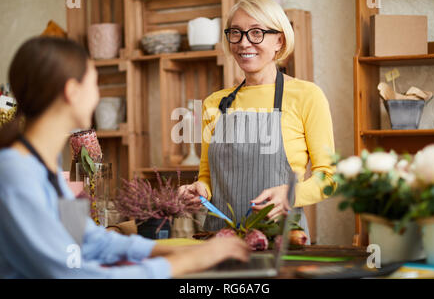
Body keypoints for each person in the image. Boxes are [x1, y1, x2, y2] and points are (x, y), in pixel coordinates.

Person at [0, 37, 249, 278]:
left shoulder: (46, 166)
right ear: (72, 92)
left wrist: (176, 249)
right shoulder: (15, 174)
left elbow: (87, 240)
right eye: (94, 84)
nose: (97, 97)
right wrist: (184, 262)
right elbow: (70, 273)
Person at [179, 0, 335, 239]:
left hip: (281, 241)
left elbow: (329, 178)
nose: (244, 43)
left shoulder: (307, 96)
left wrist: (290, 195)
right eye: (236, 33)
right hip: (220, 242)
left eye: (256, 33)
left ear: (279, 40)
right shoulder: (214, 104)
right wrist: (199, 191)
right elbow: (207, 178)